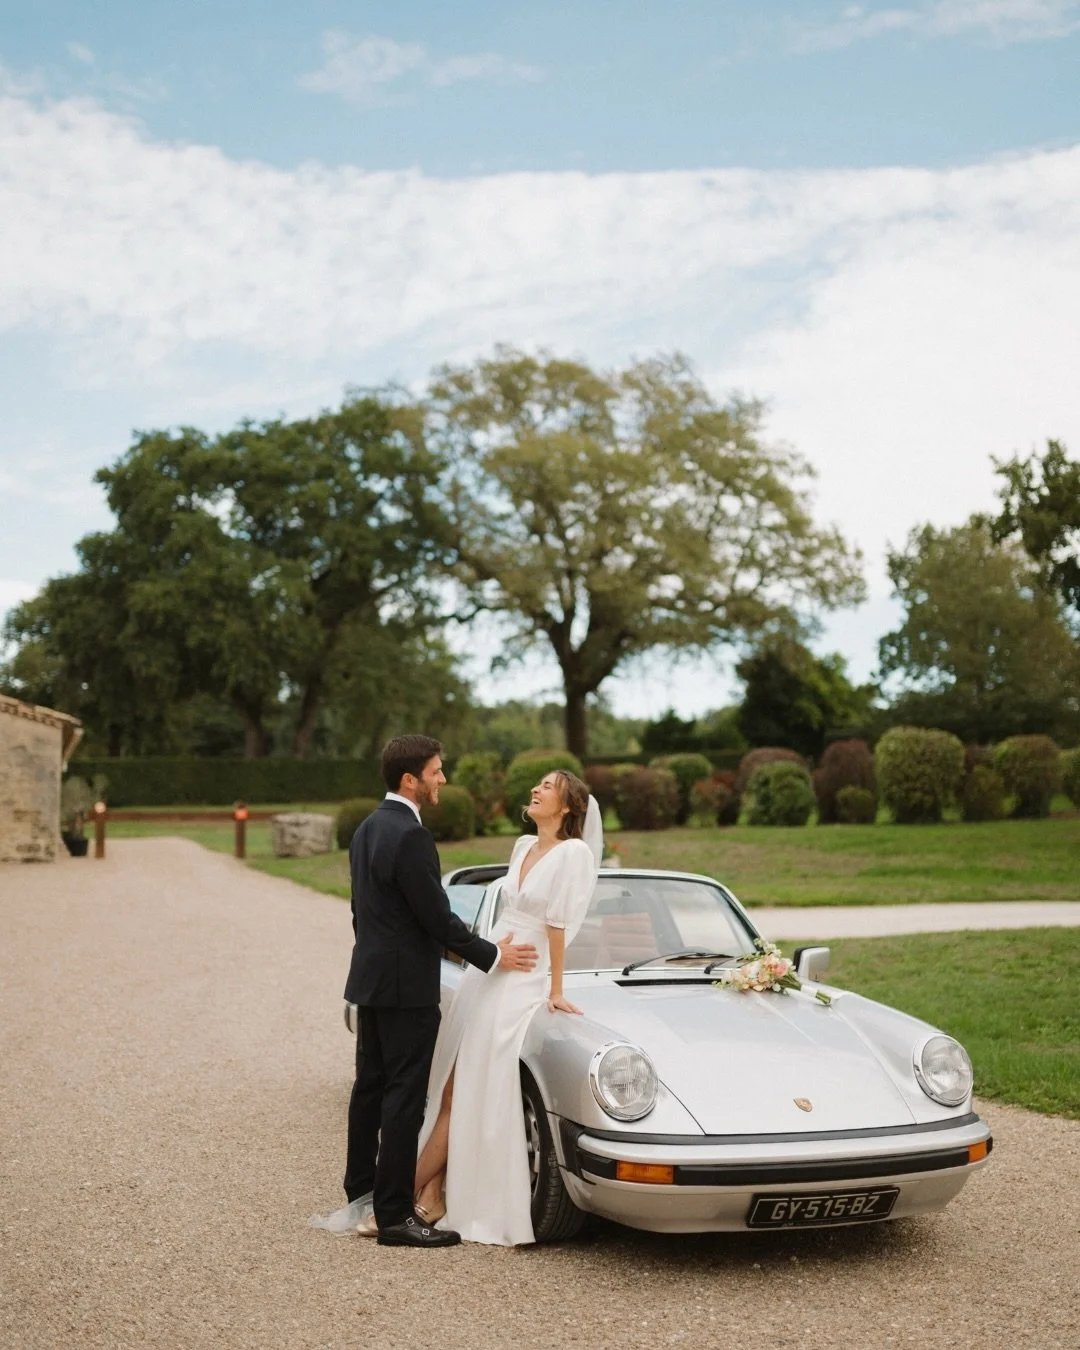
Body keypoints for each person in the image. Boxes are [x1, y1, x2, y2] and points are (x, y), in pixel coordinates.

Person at [340, 734, 539, 1249]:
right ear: (411, 779)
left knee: (370, 1090)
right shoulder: (409, 835)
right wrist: (493, 956)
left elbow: (362, 911)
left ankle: (362, 1190)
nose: (442, 780)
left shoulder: (366, 828)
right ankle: (394, 1217)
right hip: (406, 987)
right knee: (403, 1097)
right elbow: (436, 918)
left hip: (370, 978)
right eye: (435, 772)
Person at [411, 769, 601, 1246]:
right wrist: (487, 959)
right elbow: (504, 912)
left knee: (478, 1085)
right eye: (536, 784)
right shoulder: (521, 846)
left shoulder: (573, 853)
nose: (535, 790)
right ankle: (425, 1190)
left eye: (547, 786)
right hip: (493, 968)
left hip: (525, 978)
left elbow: (557, 924)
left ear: (568, 806)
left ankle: (398, 1195)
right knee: (456, 1086)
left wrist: (554, 989)